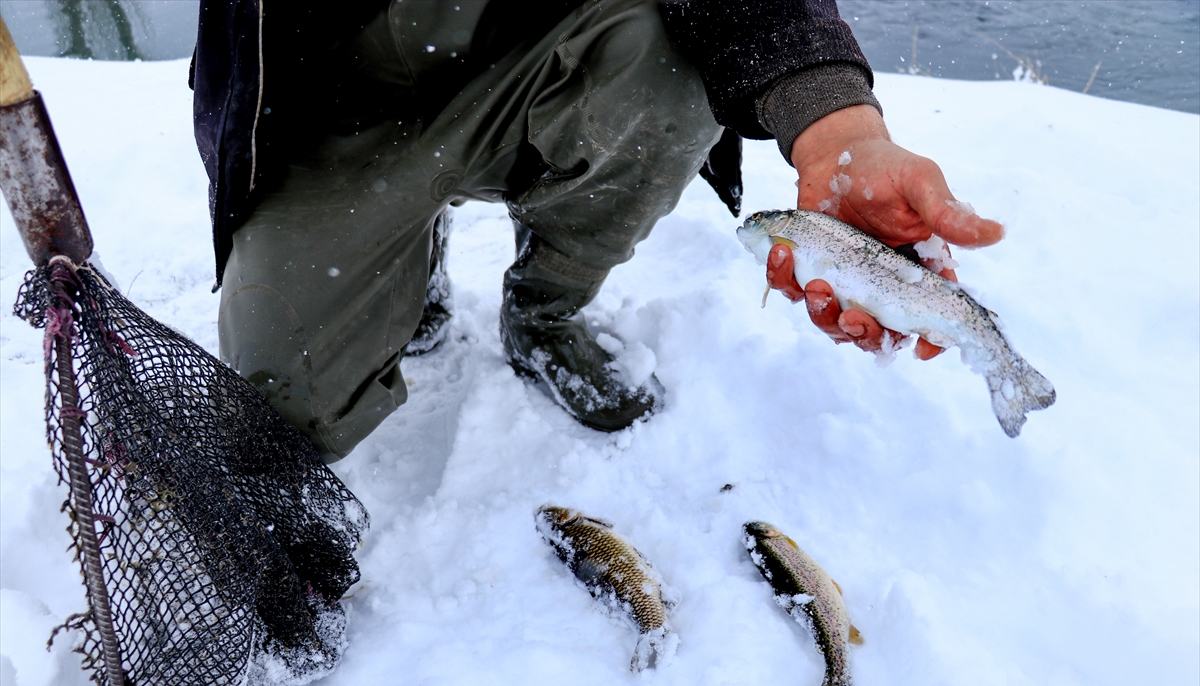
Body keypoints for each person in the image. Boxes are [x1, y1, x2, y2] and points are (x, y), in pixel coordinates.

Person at [191, 0, 1002, 462]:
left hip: (530, 67)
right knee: (281, 414)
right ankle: (406, 248)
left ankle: (546, 309)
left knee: (674, 74)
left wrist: (837, 129)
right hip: (327, 117)